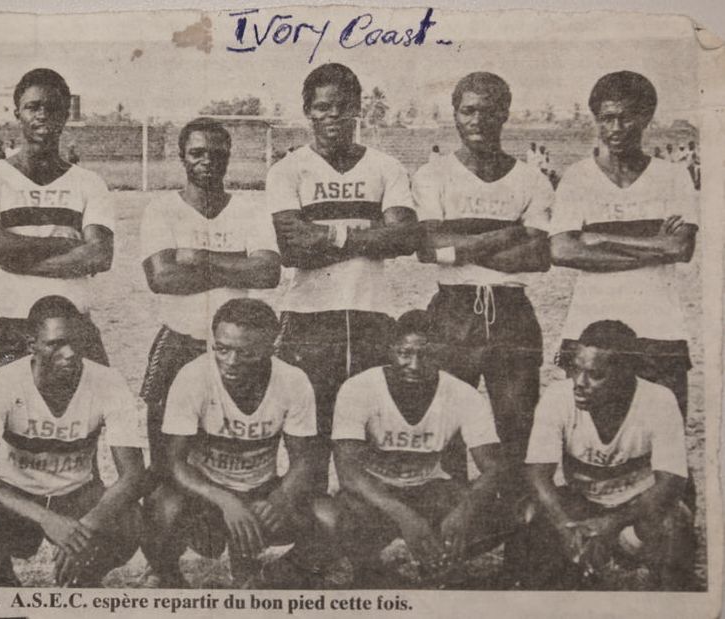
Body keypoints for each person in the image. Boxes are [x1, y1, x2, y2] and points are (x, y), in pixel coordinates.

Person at [266, 63, 422, 490]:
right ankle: (312, 550)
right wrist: (367, 232)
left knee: (369, 439)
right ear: (307, 112)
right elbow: (291, 247)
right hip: (308, 316)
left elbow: (405, 237)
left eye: (341, 107)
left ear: (358, 109)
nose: (331, 116)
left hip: (372, 312)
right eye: (321, 108)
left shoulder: (385, 167)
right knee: (310, 440)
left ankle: (360, 545)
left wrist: (327, 236)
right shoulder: (288, 170)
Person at [412, 72, 553, 478]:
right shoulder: (432, 175)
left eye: (488, 111)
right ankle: (452, 523)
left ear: (505, 114)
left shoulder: (530, 179)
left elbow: (539, 256)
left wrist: (458, 247)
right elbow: (428, 249)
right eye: (468, 110)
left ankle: (513, 529)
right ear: (454, 115)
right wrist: (508, 233)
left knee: (516, 424)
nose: (477, 120)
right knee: (446, 424)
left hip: (510, 311)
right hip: (453, 309)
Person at [316, 310, 508, 588]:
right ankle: (370, 568)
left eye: (427, 355)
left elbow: (493, 467)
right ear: (390, 350)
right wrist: (405, 517)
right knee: (330, 517)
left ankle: (438, 562)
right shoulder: (359, 388)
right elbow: (349, 475)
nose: (415, 365)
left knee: (512, 514)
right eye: (405, 353)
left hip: (428, 491)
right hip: (375, 496)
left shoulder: (462, 393)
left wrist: (464, 510)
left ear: (443, 354)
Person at [0, 296, 146, 587]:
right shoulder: (0, 383)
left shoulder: (108, 382)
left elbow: (133, 475)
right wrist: (45, 518)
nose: (70, 352)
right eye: (55, 343)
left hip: (76, 494)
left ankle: (84, 578)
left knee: (129, 519)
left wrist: (86, 526)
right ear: (31, 344)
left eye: (76, 341)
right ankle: (3, 582)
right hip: (19, 497)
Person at [141, 298, 321, 588]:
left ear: (271, 348)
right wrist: (224, 500)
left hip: (260, 490)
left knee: (328, 517)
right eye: (222, 349)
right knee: (163, 505)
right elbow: (173, 462)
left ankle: (267, 575)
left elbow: (303, 460)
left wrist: (279, 497)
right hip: (206, 494)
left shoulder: (292, 380)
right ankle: (167, 574)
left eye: (246, 353)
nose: (231, 362)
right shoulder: (194, 376)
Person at [139, 118, 281, 484]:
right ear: (182, 157)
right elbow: (162, 278)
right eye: (197, 153)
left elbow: (267, 274)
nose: (207, 161)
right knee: (167, 456)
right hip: (179, 341)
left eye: (217, 153)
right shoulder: (162, 209)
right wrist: (238, 265)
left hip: (236, 351)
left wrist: (196, 258)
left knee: (230, 450)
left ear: (229, 156)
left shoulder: (250, 209)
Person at [550, 71, 698, 419]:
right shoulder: (577, 178)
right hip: (589, 328)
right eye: (606, 119)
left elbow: (680, 250)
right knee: (591, 436)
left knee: (667, 437)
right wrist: (653, 244)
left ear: (646, 117)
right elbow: (563, 251)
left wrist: (601, 237)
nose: (615, 128)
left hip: (659, 327)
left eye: (625, 117)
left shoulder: (672, 176)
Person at [521, 320, 695, 590]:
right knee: (536, 515)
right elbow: (537, 474)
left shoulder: (659, 401)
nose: (579, 382)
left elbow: (671, 484)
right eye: (576, 369)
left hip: (636, 513)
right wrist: (565, 525)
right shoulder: (557, 397)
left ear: (627, 374)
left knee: (674, 520)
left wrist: (611, 524)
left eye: (595, 374)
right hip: (584, 507)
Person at [0, 68, 114, 384]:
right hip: (14, 325)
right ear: (17, 113)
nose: (43, 116)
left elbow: (100, 256)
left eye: (53, 108)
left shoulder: (89, 183)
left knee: (86, 422)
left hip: (75, 326)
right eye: (33, 107)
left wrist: (16, 258)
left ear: (66, 115)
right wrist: (65, 245)